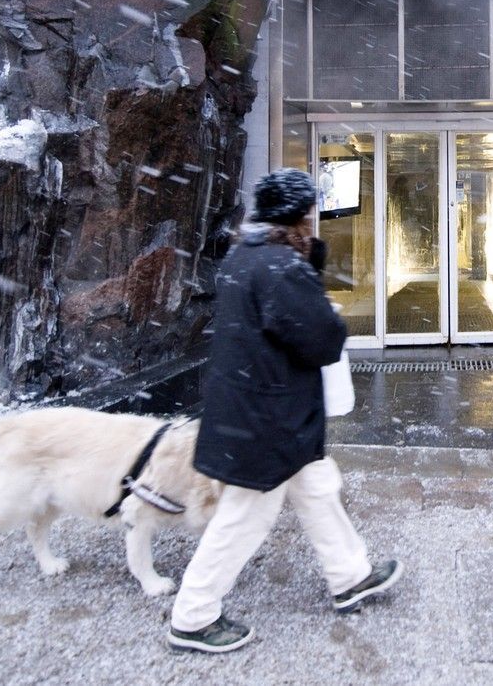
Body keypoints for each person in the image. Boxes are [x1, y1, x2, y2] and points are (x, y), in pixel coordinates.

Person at [167, 168, 402, 654]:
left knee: (317, 490)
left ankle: (350, 575)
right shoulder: (278, 267)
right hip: (270, 421)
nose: (313, 221)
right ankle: (193, 616)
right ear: (297, 215)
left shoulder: (243, 256)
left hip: (252, 408)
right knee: (244, 519)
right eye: (309, 213)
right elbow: (320, 339)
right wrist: (317, 290)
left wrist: (306, 268)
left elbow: (271, 323)